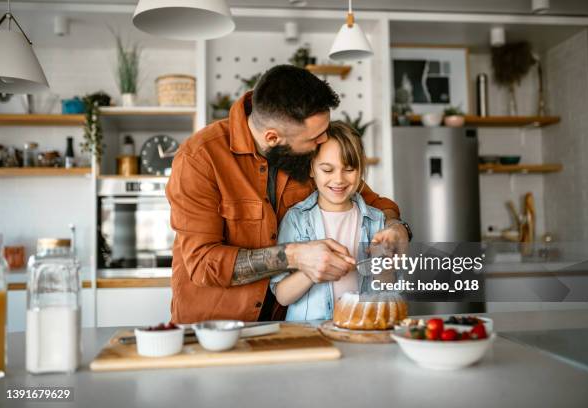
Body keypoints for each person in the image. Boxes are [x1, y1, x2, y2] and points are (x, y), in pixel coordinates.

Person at [166, 65, 411, 323]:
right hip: (215, 325)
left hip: (283, 325)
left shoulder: (305, 154)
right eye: (316, 137)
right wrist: (295, 256)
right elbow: (204, 263)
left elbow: (373, 202)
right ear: (273, 138)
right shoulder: (199, 158)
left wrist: (396, 226)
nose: (324, 140)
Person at [270, 121, 384, 320]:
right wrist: (313, 269)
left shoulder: (376, 220)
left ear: (360, 169)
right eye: (328, 170)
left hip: (361, 329)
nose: (339, 179)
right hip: (308, 338)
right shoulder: (297, 219)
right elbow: (282, 296)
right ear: (312, 169)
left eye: (348, 169)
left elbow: (388, 290)